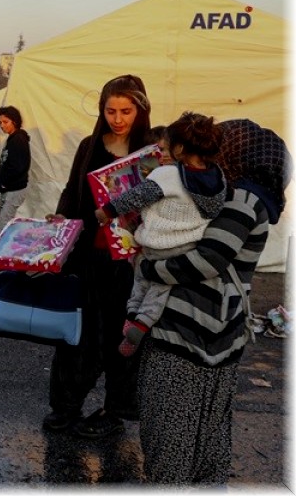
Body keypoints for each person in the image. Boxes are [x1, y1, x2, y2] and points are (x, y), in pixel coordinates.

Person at [135, 118, 290, 484]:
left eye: (222, 144)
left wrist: (147, 268)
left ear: (238, 151)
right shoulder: (229, 192)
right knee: (205, 441)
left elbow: (207, 260)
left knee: (171, 442)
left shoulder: (243, 199)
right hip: (215, 337)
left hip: (190, 337)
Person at [44, 74, 152, 438]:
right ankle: (66, 407)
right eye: (111, 110)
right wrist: (63, 218)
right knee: (79, 336)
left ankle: (115, 411)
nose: (118, 118)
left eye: (126, 110)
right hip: (90, 257)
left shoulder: (153, 152)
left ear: (141, 109)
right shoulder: (91, 145)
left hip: (132, 265)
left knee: (121, 338)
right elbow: (73, 190)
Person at [94, 112, 225, 357]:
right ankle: (142, 323)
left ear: (180, 147)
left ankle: (133, 316)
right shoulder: (217, 177)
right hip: (186, 248)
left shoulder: (168, 175)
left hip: (156, 244)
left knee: (141, 278)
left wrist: (107, 211)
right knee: (160, 289)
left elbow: (137, 196)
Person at [0, 106, 31, 236]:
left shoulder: (18, 139)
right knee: (1, 223)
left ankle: (7, 253)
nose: (2, 126)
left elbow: (18, 166)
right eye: (0, 122)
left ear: (14, 121)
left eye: (6, 122)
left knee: (3, 224)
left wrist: (4, 182)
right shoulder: (13, 138)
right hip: (10, 188)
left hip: (15, 188)